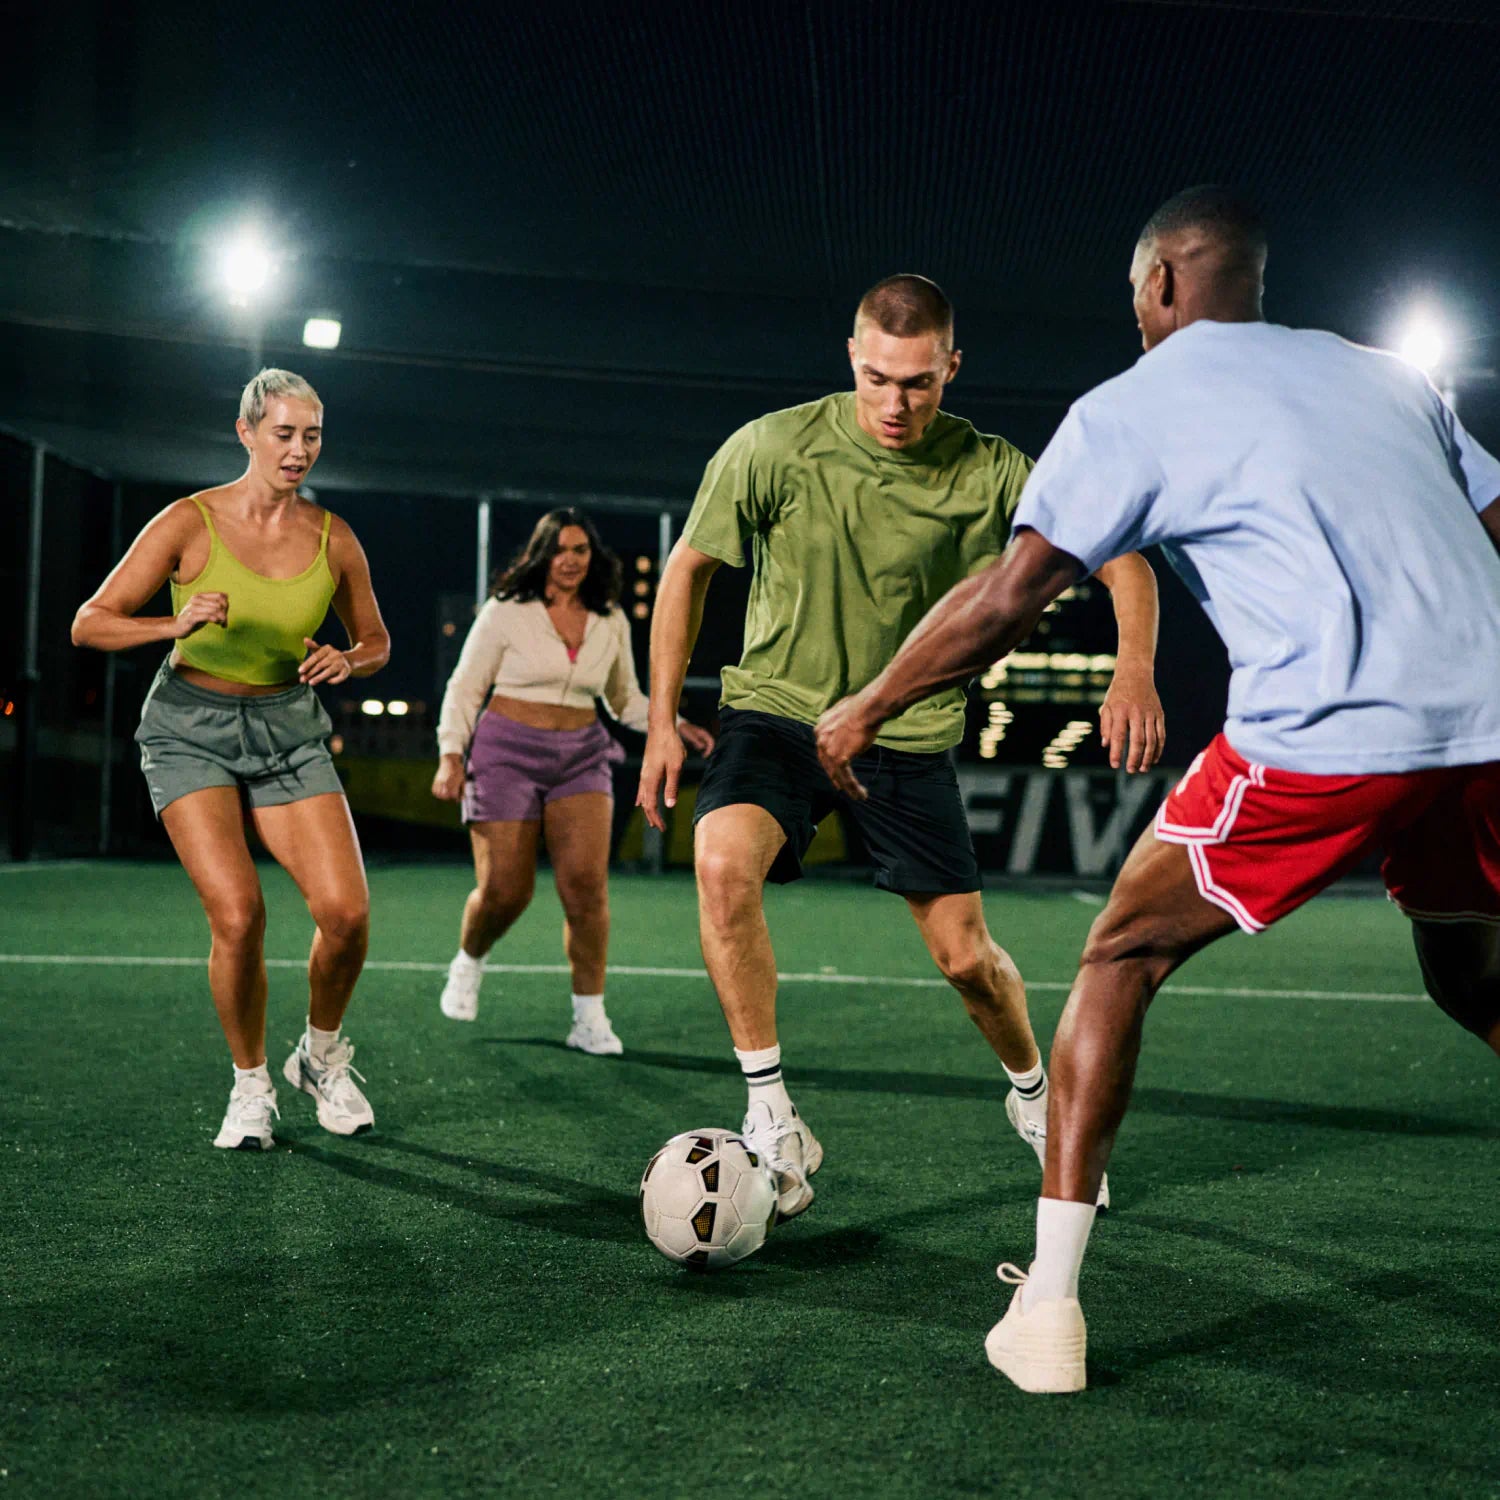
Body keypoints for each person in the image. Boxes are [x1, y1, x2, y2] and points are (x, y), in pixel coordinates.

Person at [814, 186, 1500, 1394]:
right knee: (1466, 966)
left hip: (1334, 730)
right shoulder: (1391, 372)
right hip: (1492, 713)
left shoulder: (1131, 406)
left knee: (1120, 952)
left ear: (1164, 286)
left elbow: (1004, 600)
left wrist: (866, 705)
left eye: (1138, 291)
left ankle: (1051, 1314)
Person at [637, 274, 1165, 1221]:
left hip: (904, 734)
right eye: (878, 378)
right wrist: (659, 722)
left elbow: (1122, 554)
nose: (895, 403)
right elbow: (688, 573)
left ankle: (1036, 1099)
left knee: (968, 961)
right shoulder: (772, 446)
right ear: (852, 358)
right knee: (721, 863)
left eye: (918, 383)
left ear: (952, 368)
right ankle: (771, 1117)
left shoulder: (996, 468)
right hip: (778, 715)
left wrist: (1133, 668)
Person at [72, 367, 391, 1151]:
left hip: (287, 729)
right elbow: (91, 623)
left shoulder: (332, 536)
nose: (298, 450)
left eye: (311, 435)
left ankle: (318, 1058)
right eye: (283, 433)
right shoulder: (188, 522)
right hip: (188, 730)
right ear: (246, 432)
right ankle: (250, 1083)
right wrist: (170, 626)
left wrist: (349, 661)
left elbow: (377, 642)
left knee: (346, 917)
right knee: (239, 915)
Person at [432, 508, 714, 1052]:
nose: (569, 560)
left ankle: (589, 1017)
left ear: (592, 557)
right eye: (559, 549)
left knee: (586, 890)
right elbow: (465, 687)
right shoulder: (505, 612)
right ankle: (469, 961)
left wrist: (671, 724)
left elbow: (624, 698)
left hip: (582, 755)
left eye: (580, 550)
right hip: (506, 753)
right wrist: (450, 755)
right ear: (541, 555)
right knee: (504, 892)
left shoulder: (610, 620)